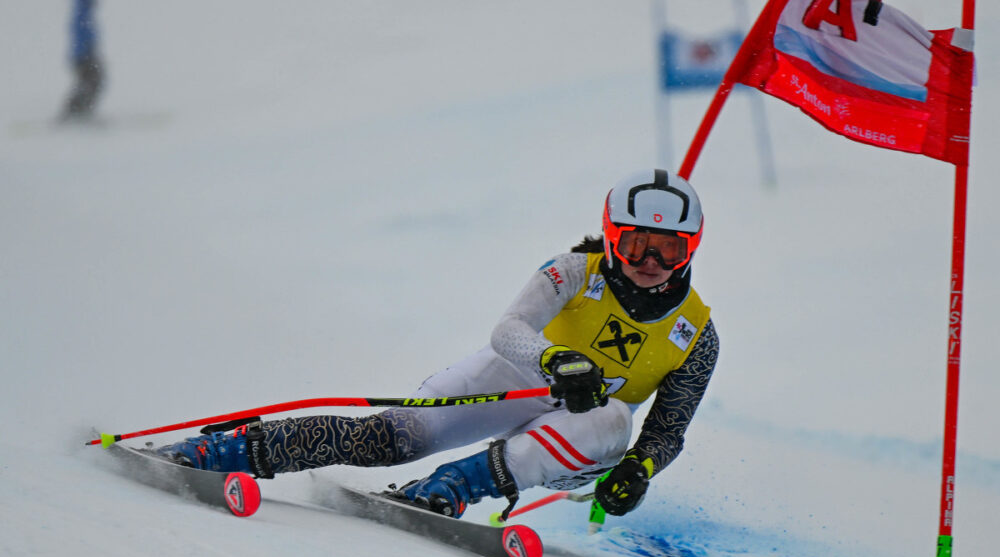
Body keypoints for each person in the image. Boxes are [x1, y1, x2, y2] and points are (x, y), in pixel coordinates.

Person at [154, 169, 720, 520]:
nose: (651, 263)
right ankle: (226, 451)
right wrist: (552, 358)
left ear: (689, 249)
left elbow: (666, 431)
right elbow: (508, 331)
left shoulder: (696, 335)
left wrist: (639, 470)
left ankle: (451, 488)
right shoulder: (572, 271)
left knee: (614, 416)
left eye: (668, 250)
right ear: (612, 235)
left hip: (582, 444)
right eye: (637, 243)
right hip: (523, 382)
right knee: (398, 434)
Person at [62, 0, 104, 120]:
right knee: (91, 81)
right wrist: (88, 49)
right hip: (83, 56)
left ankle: (80, 110)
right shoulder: (82, 12)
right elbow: (82, 32)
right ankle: (74, 111)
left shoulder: (84, 12)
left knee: (93, 81)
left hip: (84, 55)